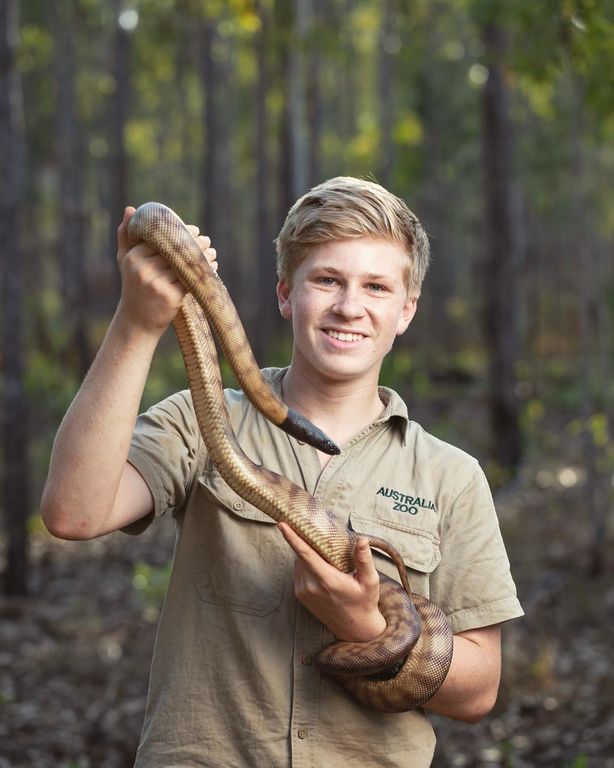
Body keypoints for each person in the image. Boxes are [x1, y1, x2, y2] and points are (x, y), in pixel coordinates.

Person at [42, 176, 523, 767]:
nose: (349, 306)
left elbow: (479, 692)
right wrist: (138, 323)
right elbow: (72, 513)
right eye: (327, 280)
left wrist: (368, 628)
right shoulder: (201, 417)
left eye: (376, 286)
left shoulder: (452, 476)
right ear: (285, 293)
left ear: (406, 310)